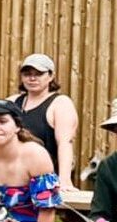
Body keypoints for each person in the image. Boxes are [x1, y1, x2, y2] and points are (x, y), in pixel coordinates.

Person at [8, 54, 79, 187]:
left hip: (44, 180)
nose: (32, 78)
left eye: (39, 74)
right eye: (27, 74)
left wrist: (64, 179)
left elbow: (65, 143)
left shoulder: (60, 104)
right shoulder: (12, 102)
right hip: (12, 178)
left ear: (51, 76)